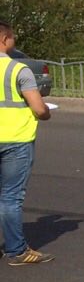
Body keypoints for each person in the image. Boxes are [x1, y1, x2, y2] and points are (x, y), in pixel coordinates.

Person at [0, 22, 53, 265]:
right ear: (4, 39)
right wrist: (46, 113)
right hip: (15, 140)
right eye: (13, 37)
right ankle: (16, 251)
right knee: (10, 197)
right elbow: (39, 108)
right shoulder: (18, 69)